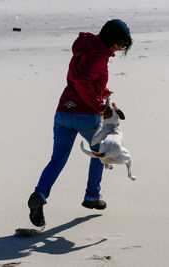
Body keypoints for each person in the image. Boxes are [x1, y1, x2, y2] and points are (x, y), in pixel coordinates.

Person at [27, 19, 133, 227]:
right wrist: (97, 103)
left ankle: (39, 195)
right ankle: (92, 197)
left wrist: (102, 92)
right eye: (121, 43)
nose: (121, 48)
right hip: (85, 114)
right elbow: (83, 81)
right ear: (112, 39)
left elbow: (78, 79)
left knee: (57, 159)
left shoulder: (83, 50)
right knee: (100, 152)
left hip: (63, 111)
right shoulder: (100, 56)